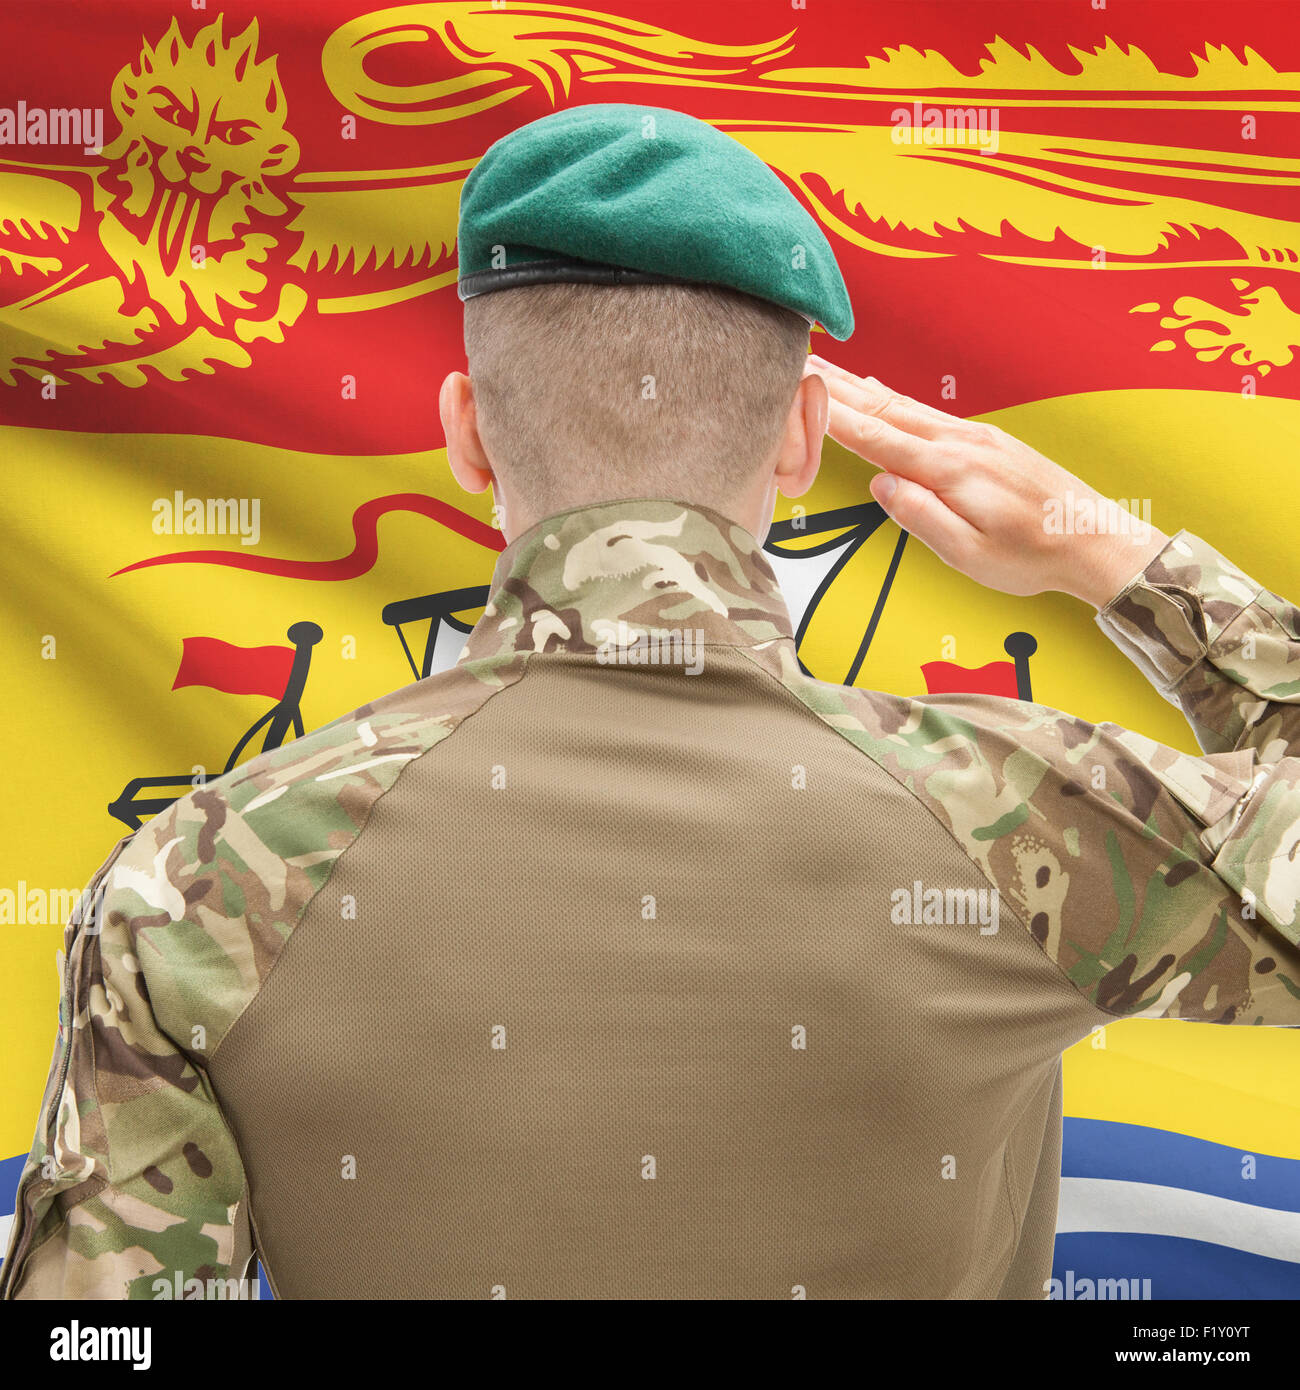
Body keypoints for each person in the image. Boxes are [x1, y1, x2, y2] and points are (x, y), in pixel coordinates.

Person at [3, 103, 1296, 1301]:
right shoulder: (1023, 821)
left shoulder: (198, 883)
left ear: (466, 431)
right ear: (802, 437)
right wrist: (1116, 560)